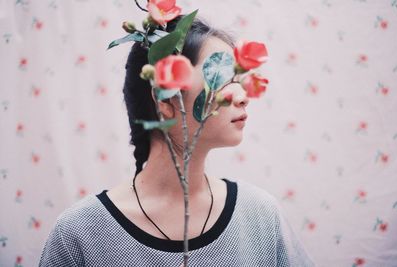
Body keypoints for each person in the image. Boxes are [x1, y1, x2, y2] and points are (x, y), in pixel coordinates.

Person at [39, 15, 315, 266]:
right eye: (221, 77)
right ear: (165, 100)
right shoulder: (79, 234)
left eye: (238, 79)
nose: (243, 95)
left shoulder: (260, 216)